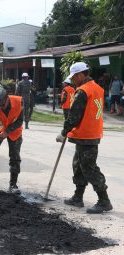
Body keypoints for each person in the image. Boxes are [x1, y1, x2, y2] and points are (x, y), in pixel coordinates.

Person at [56, 62, 113, 214]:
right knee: (78, 165)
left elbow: (74, 116)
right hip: (90, 133)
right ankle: (78, 197)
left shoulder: (83, 91)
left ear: (80, 75)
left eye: (74, 77)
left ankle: (104, 200)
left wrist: (63, 132)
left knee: (89, 168)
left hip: (86, 134)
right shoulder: (98, 88)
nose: (73, 80)